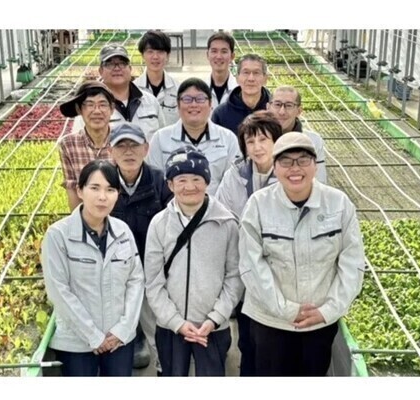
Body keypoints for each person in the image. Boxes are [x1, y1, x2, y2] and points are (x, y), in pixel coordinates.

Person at [238, 132, 366, 376]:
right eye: (286, 161)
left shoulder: (338, 204)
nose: (295, 168)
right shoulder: (258, 205)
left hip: (319, 324)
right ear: (275, 167)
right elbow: (251, 265)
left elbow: (353, 264)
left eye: (303, 160)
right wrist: (286, 309)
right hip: (270, 322)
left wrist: (327, 311)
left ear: (315, 165)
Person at [144, 146, 243, 376]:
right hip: (170, 326)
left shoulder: (227, 223)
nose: (190, 187)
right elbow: (153, 281)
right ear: (170, 185)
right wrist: (176, 322)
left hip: (213, 327)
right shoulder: (159, 224)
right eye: (181, 180)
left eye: (197, 179)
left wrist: (215, 318)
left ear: (207, 181)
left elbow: (234, 277)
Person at [41, 160, 144, 376]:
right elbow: (58, 290)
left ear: (117, 194)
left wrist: (124, 329)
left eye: (110, 189)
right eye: (95, 188)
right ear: (80, 191)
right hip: (76, 343)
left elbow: (135, 280)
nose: (102, 197)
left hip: (118, 340)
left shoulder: (123, 231)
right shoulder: (58, 235)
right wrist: (93, 335)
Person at [215, 110, 282, 376]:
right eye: (250, 141)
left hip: (278, 271)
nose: (257, 147)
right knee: (248, 339)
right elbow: (224, 214)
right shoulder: (236, 174)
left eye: (263, 139)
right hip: (245, 266)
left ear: (276, 141)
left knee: (274, 344)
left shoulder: (289, 173)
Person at [108, 122, 173, 373]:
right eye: (121, 146)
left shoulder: (160, 180)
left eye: (134, 145)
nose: (128, 151)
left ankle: (164, 366)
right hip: (116, 271)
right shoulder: (104, 181)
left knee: (157, 325)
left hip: (154, 269)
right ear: (111, 152)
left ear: (146, 149)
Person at [147, 78, 241, 196]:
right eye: (187, 99)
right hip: (172, 205)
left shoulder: (228, 139)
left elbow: (232, 184)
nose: (194, 105)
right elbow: (155, 182)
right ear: (178, 105)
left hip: (216, 205)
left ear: (210, 104)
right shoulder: (160, 139)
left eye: (200, 99)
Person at [70, 45, 166, 143]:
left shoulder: (150, 101)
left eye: (122, 63)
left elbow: (163, 139)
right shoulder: (89, 108)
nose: (117, 68)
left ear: (130, 69)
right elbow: (79, 143)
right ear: (100, 71)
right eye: (110, 64)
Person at [58, 81, 115, 211]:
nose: (97, 111)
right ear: (79, 109)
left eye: (102, 104)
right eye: (90, 105)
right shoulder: (68, 144)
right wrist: (79, 221)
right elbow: (72, 188)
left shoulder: (121, 141)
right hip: (87, 215)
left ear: (112, 109)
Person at [267, 85, 327, 183]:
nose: (282, 112)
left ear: (299, 111)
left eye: (289, 105)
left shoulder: (313, 141)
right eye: (277, 104)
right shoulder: (257, 140)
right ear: (268, 108)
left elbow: (320, 181)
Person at [211, 53, 270, 136]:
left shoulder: (275, 110)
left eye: (256, 73)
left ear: (265, 78)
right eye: (246, 72)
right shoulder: (221, 114)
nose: (251, 78)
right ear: (237, 78)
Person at [135, 30, 180, 125]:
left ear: (167, 55)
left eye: (160, 52)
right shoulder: (134, 89)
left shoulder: (178, 89)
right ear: (142, 55)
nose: (155, 57)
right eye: (150, 52)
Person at [205, 31, 237, 111]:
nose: (219, 56)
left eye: (224, 51)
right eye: (214, 51)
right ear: (207, 55)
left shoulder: (240, 90)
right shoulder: (199, 90)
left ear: (232, 56)